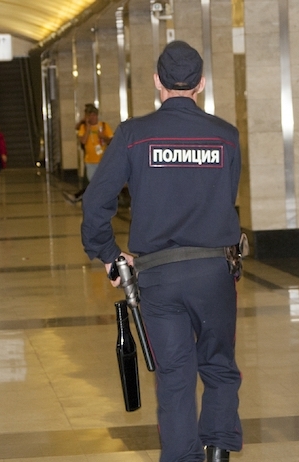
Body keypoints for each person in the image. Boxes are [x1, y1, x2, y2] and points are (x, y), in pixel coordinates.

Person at [81, 41, 243, 462]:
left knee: (174, 376)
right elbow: (227, 196)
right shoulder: (226, 137)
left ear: (157, 81)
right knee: (219, 366)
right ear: (201, 84)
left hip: (158, 277)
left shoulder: (133, 136)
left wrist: (109, 254)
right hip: (214, 274)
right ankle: (218, 453)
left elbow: (96, 202)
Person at [67, 104, 113, 203]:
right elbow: (83, 141)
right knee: (94, 183)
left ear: (97, 115)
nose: (92, 118)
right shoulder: (83, 127)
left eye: (94, 115)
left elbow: (111, 141)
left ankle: (97, 201)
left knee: (100, 183)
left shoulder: (104, 126)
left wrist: (103, 137)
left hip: (103, 161)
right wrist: (88, 128)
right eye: (90, 115)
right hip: (90, 161)